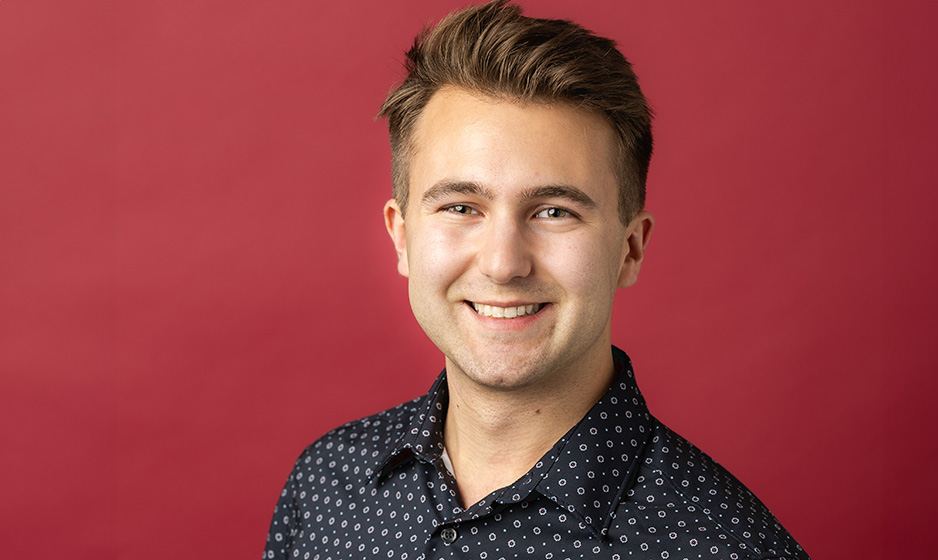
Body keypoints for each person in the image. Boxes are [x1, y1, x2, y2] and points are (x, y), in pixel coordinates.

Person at [263, 2, 809, 558]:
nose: (503, 264)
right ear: (402, 237)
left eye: (553, 212)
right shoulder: (325, 484)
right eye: (460, 207)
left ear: (629, 248)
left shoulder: (729, 547)